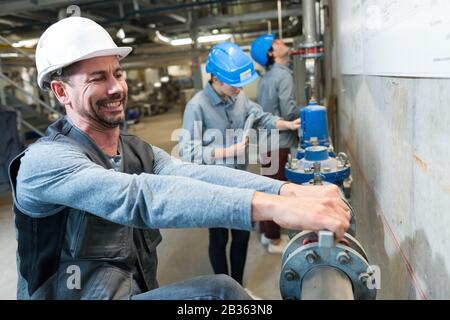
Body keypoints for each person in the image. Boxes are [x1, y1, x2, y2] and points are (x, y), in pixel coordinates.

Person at [8, 17, 350, 300]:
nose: (116, 88)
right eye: (97, 78)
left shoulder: (135, 150)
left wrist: (286, 193)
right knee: (220, 294)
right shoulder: (45, 163)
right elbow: (138, 197)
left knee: (224, 291)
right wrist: (274, 209)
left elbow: (192, 174)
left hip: (131, 289)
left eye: (118, 73)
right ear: (60, 91)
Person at [179, 42, 300, 286]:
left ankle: (238, 286)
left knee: (243, 237)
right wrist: (228, 151)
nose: (240, 88)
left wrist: (286, 125)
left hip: (240, 181)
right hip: (213, 184)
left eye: (242, 84)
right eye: (235, 83)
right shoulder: (197, 106)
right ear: (215, 77)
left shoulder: (240, 97)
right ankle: (225, 289)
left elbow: (261, 117)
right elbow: (187, 151)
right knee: (219, 238)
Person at [250, 34, 300, 254]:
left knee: (268, 185)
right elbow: (288, 111)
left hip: (266, 141)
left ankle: (265, 232)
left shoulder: (267, 76)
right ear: (271, 53)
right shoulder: (283, 75)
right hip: (279, 141)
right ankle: (274, 239)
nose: (281, 42)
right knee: (276, 189)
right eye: (276, 42)